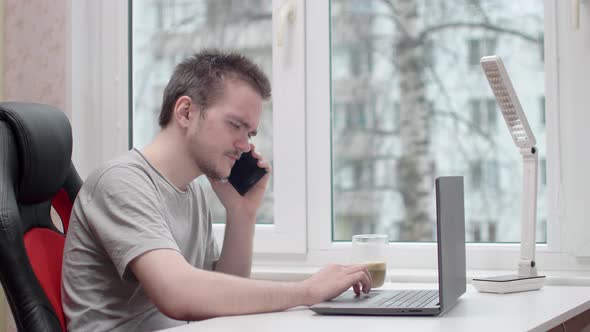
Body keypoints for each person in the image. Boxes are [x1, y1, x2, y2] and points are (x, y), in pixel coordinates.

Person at [62, 49, 372, 332]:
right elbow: (178, 294)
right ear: (185, 112)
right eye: (235, 125)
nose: (246, 145)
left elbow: (218, 306)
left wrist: (242, 214)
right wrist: (307, 291)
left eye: (249, 133)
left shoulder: (192, 192)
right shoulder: (122, 182)